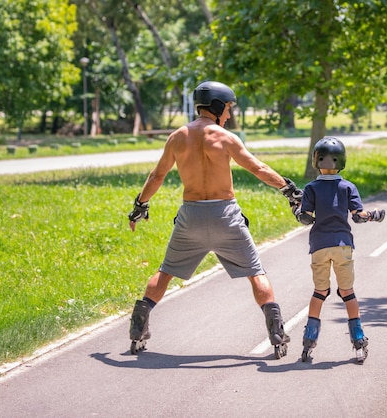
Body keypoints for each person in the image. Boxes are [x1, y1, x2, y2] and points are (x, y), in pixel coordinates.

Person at [127, 81, 302, 358]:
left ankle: (137, 330)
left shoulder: (177, 137)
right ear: (219, 106)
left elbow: (156, 176)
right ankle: (277, 333)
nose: (229, 115)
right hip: (225, 216)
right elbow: (257, 168)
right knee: (256, 273)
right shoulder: (225, 138)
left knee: (166, 271)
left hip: (191, 216)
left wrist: (140, 205)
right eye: (229, 108)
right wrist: (289, 190)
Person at [293, 136, 385, 363]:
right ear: (341, 161)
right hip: (343, 245)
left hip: (319, 247)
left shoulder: (311, 188)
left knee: (320, 292)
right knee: (347, 292)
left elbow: (305, 218)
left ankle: (308, 342)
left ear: (316, 160)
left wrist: (296, 209)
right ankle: (358, 341)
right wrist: (374, 215)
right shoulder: (347, 187)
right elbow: (359, 217)